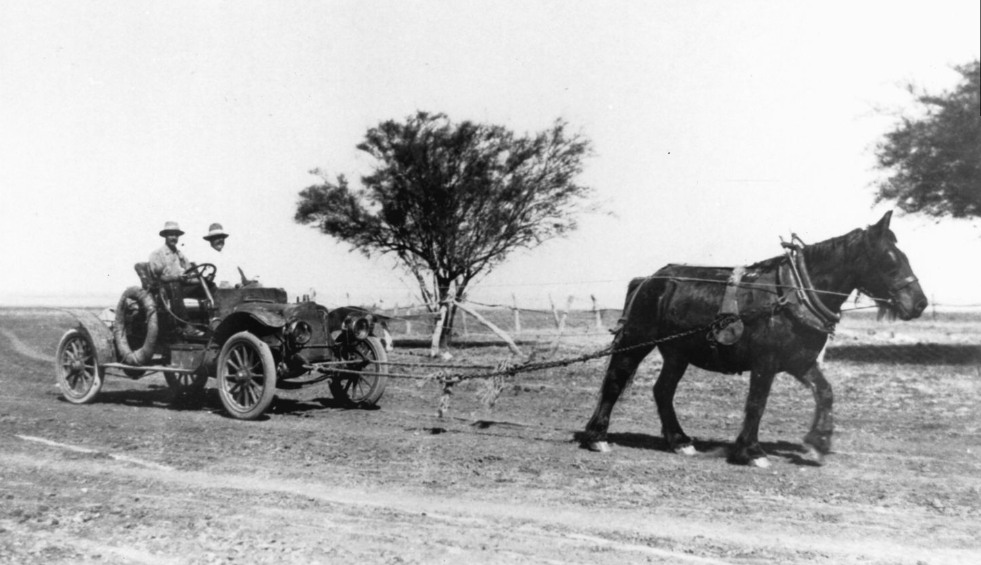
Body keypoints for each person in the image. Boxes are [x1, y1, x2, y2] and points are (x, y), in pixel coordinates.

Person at [149, 221, 205, 338]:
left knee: (207, 284)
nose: (174, 237)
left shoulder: (180, 254)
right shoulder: (157, 254)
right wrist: (177, 277)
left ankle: (211, 321)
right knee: (174, 284)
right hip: (164, 289)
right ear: (165, 236)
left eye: (176, 235)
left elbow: (189, 270)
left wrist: (201, 279)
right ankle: (184, 325)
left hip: (181, 286)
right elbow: (159, 278)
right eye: (171, 234)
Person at [202, 222, 255, 288]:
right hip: (218, 292)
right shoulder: (206, 257)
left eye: (222, 237)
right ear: (210, 240)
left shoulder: (229, 257)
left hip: (236, 290)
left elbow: (243, 280)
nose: (220, 240)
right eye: (216, 238)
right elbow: (206, 281)